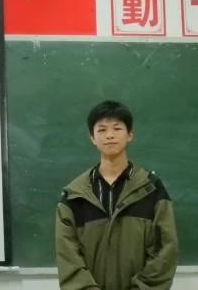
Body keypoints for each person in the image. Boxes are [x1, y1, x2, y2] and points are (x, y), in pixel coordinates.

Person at [55, 100, 178, 290]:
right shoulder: (74, 196)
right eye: (102, 130)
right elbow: (68, 258)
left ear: (130, 135)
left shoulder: (151, 188)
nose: (110, 135)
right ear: (92, 137)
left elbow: (166, 249)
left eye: (117, 128)